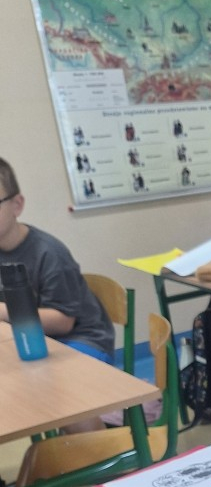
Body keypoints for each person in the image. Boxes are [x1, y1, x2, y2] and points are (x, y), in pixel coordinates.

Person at [0, 157, 115, 437]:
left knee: (56, 390)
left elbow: (62, 321)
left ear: (17, 205)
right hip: (31, 340)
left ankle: (102, 452)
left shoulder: (48, 252)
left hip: (81, 338)